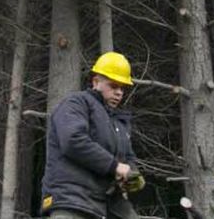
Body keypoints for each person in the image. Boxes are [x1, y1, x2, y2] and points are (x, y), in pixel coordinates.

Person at [40, 51, 144, 219]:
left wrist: (132, 174)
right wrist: (115, 167)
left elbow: (127, 157)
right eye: (114, 85)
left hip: (106, 203)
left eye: (122, 88)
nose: (119, 92)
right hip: (71, 200)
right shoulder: (76, 104)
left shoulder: (118, 122)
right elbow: (73, 141)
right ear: (96, 82)